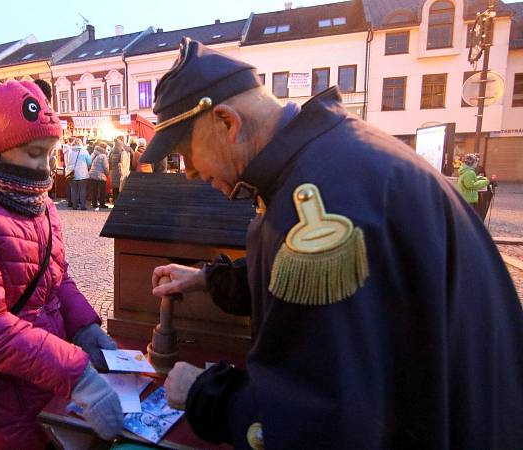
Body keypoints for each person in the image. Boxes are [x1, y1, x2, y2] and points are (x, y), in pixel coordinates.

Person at [142, 39, 523, 450]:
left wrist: (205, 393)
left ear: (226, 122)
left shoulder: (317, 199)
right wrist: (208, 279)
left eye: (185, 154)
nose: (189, 174)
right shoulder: (329, 160)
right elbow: (314, 285)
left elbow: (323, 419)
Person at [0, 73, 123, 449]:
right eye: (34, 154)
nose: (44, 168)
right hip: (3, 394)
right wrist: (76, 373)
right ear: (0, 145)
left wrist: (87, 329)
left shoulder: (41, 205)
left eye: (50, 153)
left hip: (47, 375)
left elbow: (58, 280)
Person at [66, 138, 92, 210]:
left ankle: (74, 206)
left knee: (73, 190)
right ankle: (83, 206)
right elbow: (89, 162)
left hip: (72, 173)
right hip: (82, 173)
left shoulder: (70, 151)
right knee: (83, 190)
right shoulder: (84, 151)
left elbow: (68, 162)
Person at [108, 137, 131, 202]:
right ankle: (118, 201)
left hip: (113, 172)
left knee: (114, 187)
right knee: (120, 187)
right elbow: (123, 162)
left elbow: (109, 162)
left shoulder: (111, 152)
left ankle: (114, 200)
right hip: (120, 172)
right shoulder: (122, 152)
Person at [88, 144, 109, 209]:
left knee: (94, 189)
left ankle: (94, 203)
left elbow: (89, 163)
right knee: (102, 190)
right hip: (100, 175)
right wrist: (107, 173)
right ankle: (102, 204)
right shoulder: (103, 156)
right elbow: (105, 167)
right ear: (104, 148)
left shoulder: (94, 153)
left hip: (93, 173)